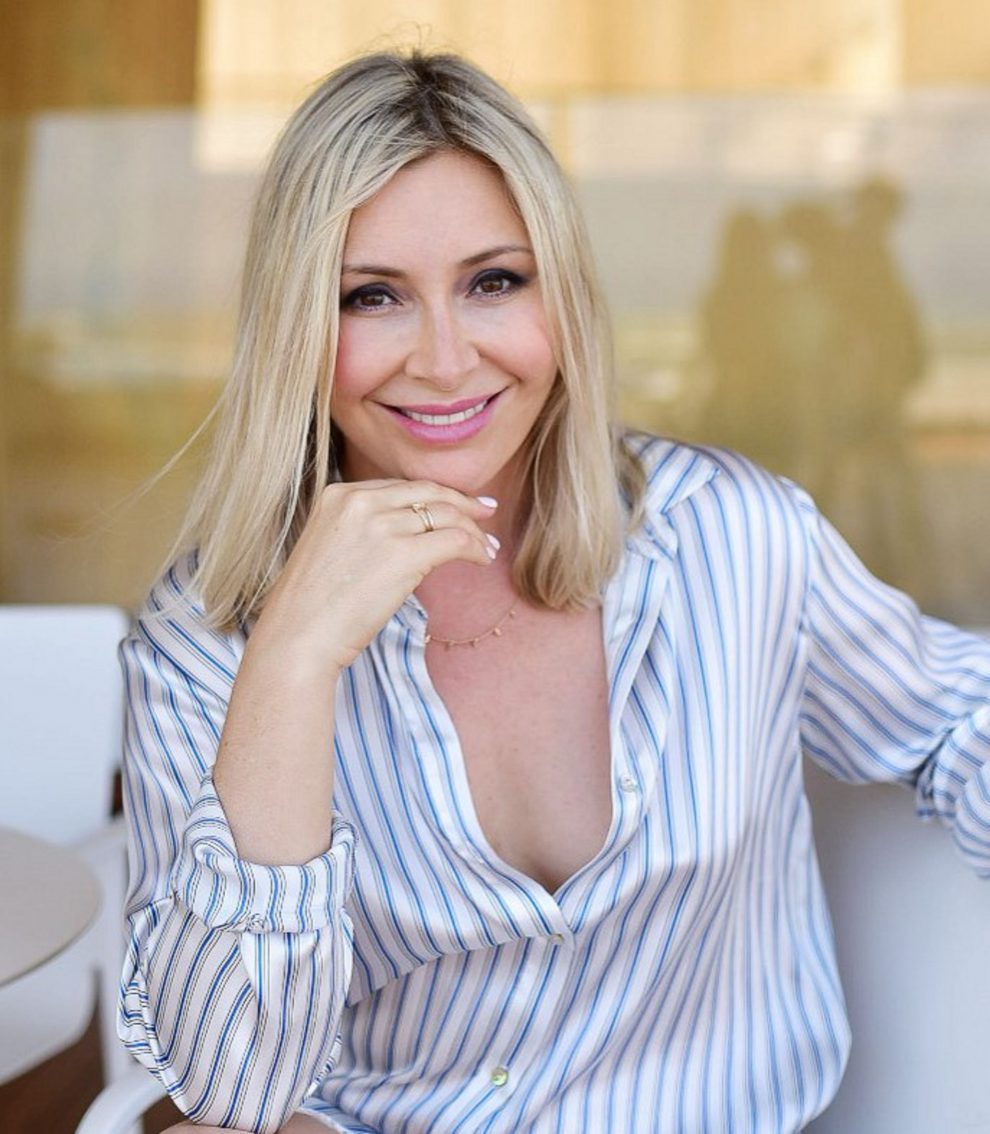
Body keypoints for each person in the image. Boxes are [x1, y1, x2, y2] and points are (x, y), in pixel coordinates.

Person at [118, 51, 990, 1134]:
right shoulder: (203, 643)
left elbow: (959, 718)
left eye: (494, 282)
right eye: (372, 297)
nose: (445, 361)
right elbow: (232, 1096)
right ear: (299, 328)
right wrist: (291, 665)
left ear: (563, 299)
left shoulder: (732, 537)